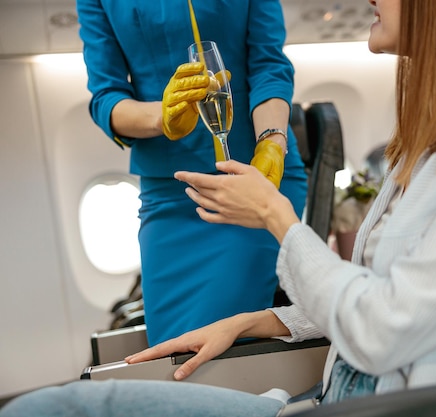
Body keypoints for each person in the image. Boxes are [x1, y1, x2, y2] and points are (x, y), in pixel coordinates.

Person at [0, 0, 436, 415]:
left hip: (373, 398)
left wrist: (275, 207)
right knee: (64, 402)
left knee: (55, 409)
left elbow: (385, 326)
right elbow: (374, 290)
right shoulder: (424, 144)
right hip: (177, 197)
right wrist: (252, 323)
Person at [75, 0, 308, 345]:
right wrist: (162, 116)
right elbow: (106, 96)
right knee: (171, 346)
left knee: (219, 344)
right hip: (171, 193)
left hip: (252, 176)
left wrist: (271, 143)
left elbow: (269, 65)